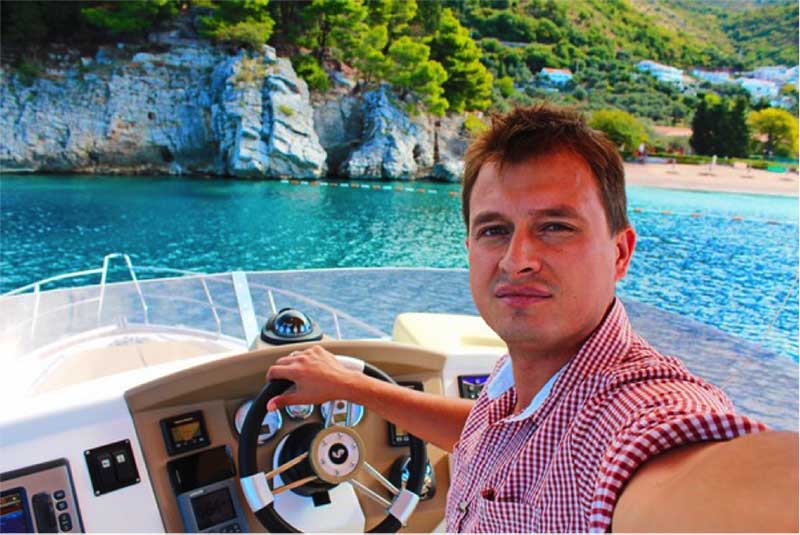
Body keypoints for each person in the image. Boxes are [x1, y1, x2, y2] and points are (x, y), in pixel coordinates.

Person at [266, 105, 798, 532]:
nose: (517, 259)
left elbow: (697, 482)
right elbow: (484, 431)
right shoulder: (523, 377)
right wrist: (354, 387)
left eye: (556, 227)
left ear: (620, 253)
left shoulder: (637, 414)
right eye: (493, 229)